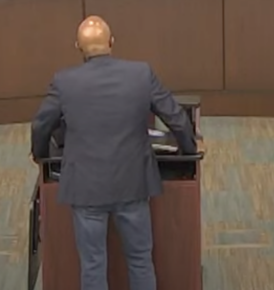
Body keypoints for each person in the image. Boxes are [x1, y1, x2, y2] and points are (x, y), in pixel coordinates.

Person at [31, 16, 198, 290]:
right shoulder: (141, 73)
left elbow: (41, 125)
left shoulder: (64, 81)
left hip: (85, 188)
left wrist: (40, 156)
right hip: (132, 183)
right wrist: (189, 151)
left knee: (93, 265)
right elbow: (177, 118)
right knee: (140, 260)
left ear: (77, 46)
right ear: (112, 42)